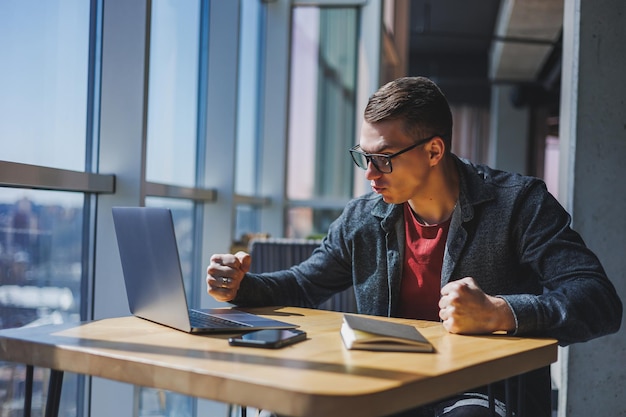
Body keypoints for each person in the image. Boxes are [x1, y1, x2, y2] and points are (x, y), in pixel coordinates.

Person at [206, 76, 622, 417]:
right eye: (363, 157)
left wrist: (500, 312)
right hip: (386, 387)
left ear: (434, 150)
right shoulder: (363, 217)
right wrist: (242, 287)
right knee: (280, 407)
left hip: (481, 395)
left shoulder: (518, 204)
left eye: (383, 158)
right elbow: (302, 284)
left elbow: (598, 302)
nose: (369, 174)